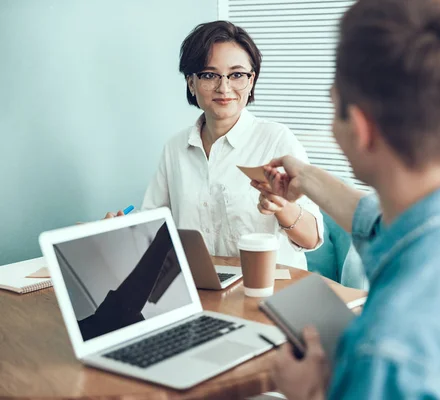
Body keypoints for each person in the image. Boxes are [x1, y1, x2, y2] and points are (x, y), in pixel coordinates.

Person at [258, 0, 440, 398]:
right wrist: (306, 178)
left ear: (362, 128)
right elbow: (380, 224)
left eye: (335, 107)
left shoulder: (385, 354)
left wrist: (312, 393)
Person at [107, 21, 323, 269]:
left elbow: (312, 238)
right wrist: (118, 228)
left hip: (269, 292)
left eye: (237, 75)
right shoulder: (175, 148)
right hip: (203, 288)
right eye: (209, 75)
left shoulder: (277, 140)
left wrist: (282, 207)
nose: (224, 87)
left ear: (251, 81)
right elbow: (153, 227)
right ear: (191, 83)